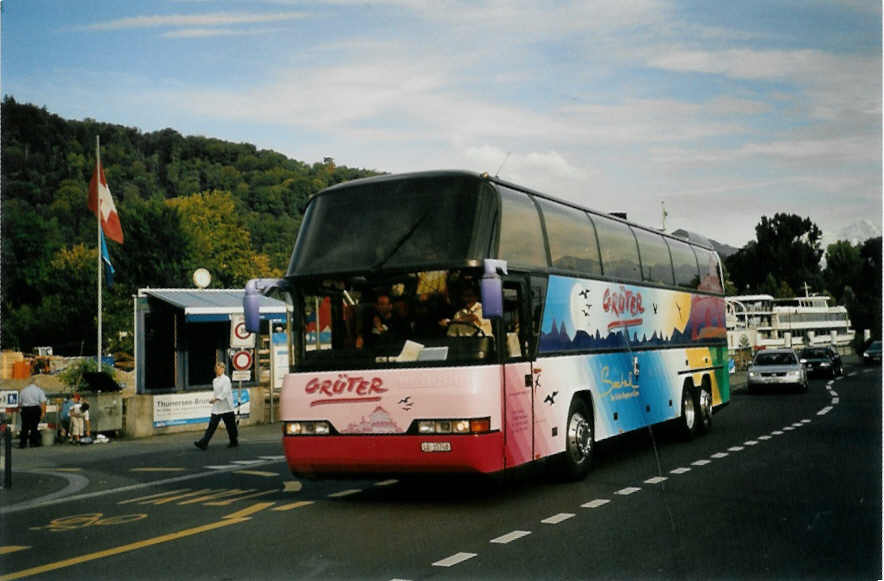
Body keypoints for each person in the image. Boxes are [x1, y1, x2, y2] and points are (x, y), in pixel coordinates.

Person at [194, 362, 238, 450]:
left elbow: (225, 392)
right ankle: (203, 443)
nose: (217, 370)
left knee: (231, 426)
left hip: (227, 407)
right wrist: (214, 399)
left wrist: (216, 399)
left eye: (219, 369)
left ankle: (234, 441)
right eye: (216, 369)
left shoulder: (226, 379)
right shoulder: (215, 380)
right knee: (212, 426)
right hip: (217, 408)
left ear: (223, 369)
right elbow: (216, 392)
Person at [18, 375, 47, 448]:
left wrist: (21, 410)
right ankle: (33, 442)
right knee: (34, 426)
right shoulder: (39, 390)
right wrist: (43, 412)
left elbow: (20, 403)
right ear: (36, 383)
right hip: (35, 409)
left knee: (25, 427)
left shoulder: (23, 390)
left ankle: (23, 443)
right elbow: (43, 402)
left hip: (25, 409)